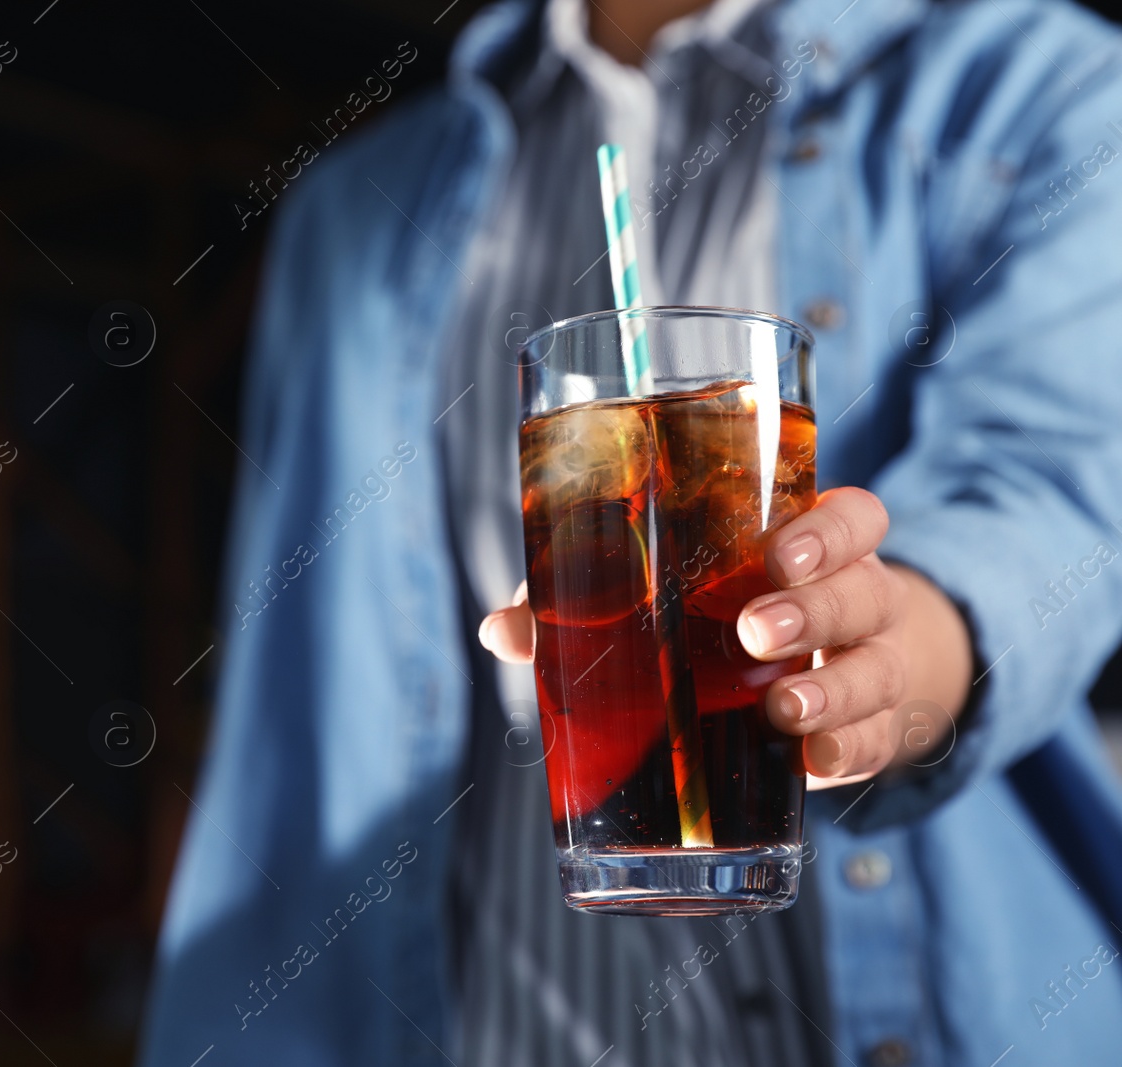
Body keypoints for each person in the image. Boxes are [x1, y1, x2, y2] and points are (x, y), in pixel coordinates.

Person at [140, 0, 1122, 1063]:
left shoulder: (1039, 89)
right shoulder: (351, 214)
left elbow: (1055, 490)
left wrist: (896, 650)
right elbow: (295, 701)